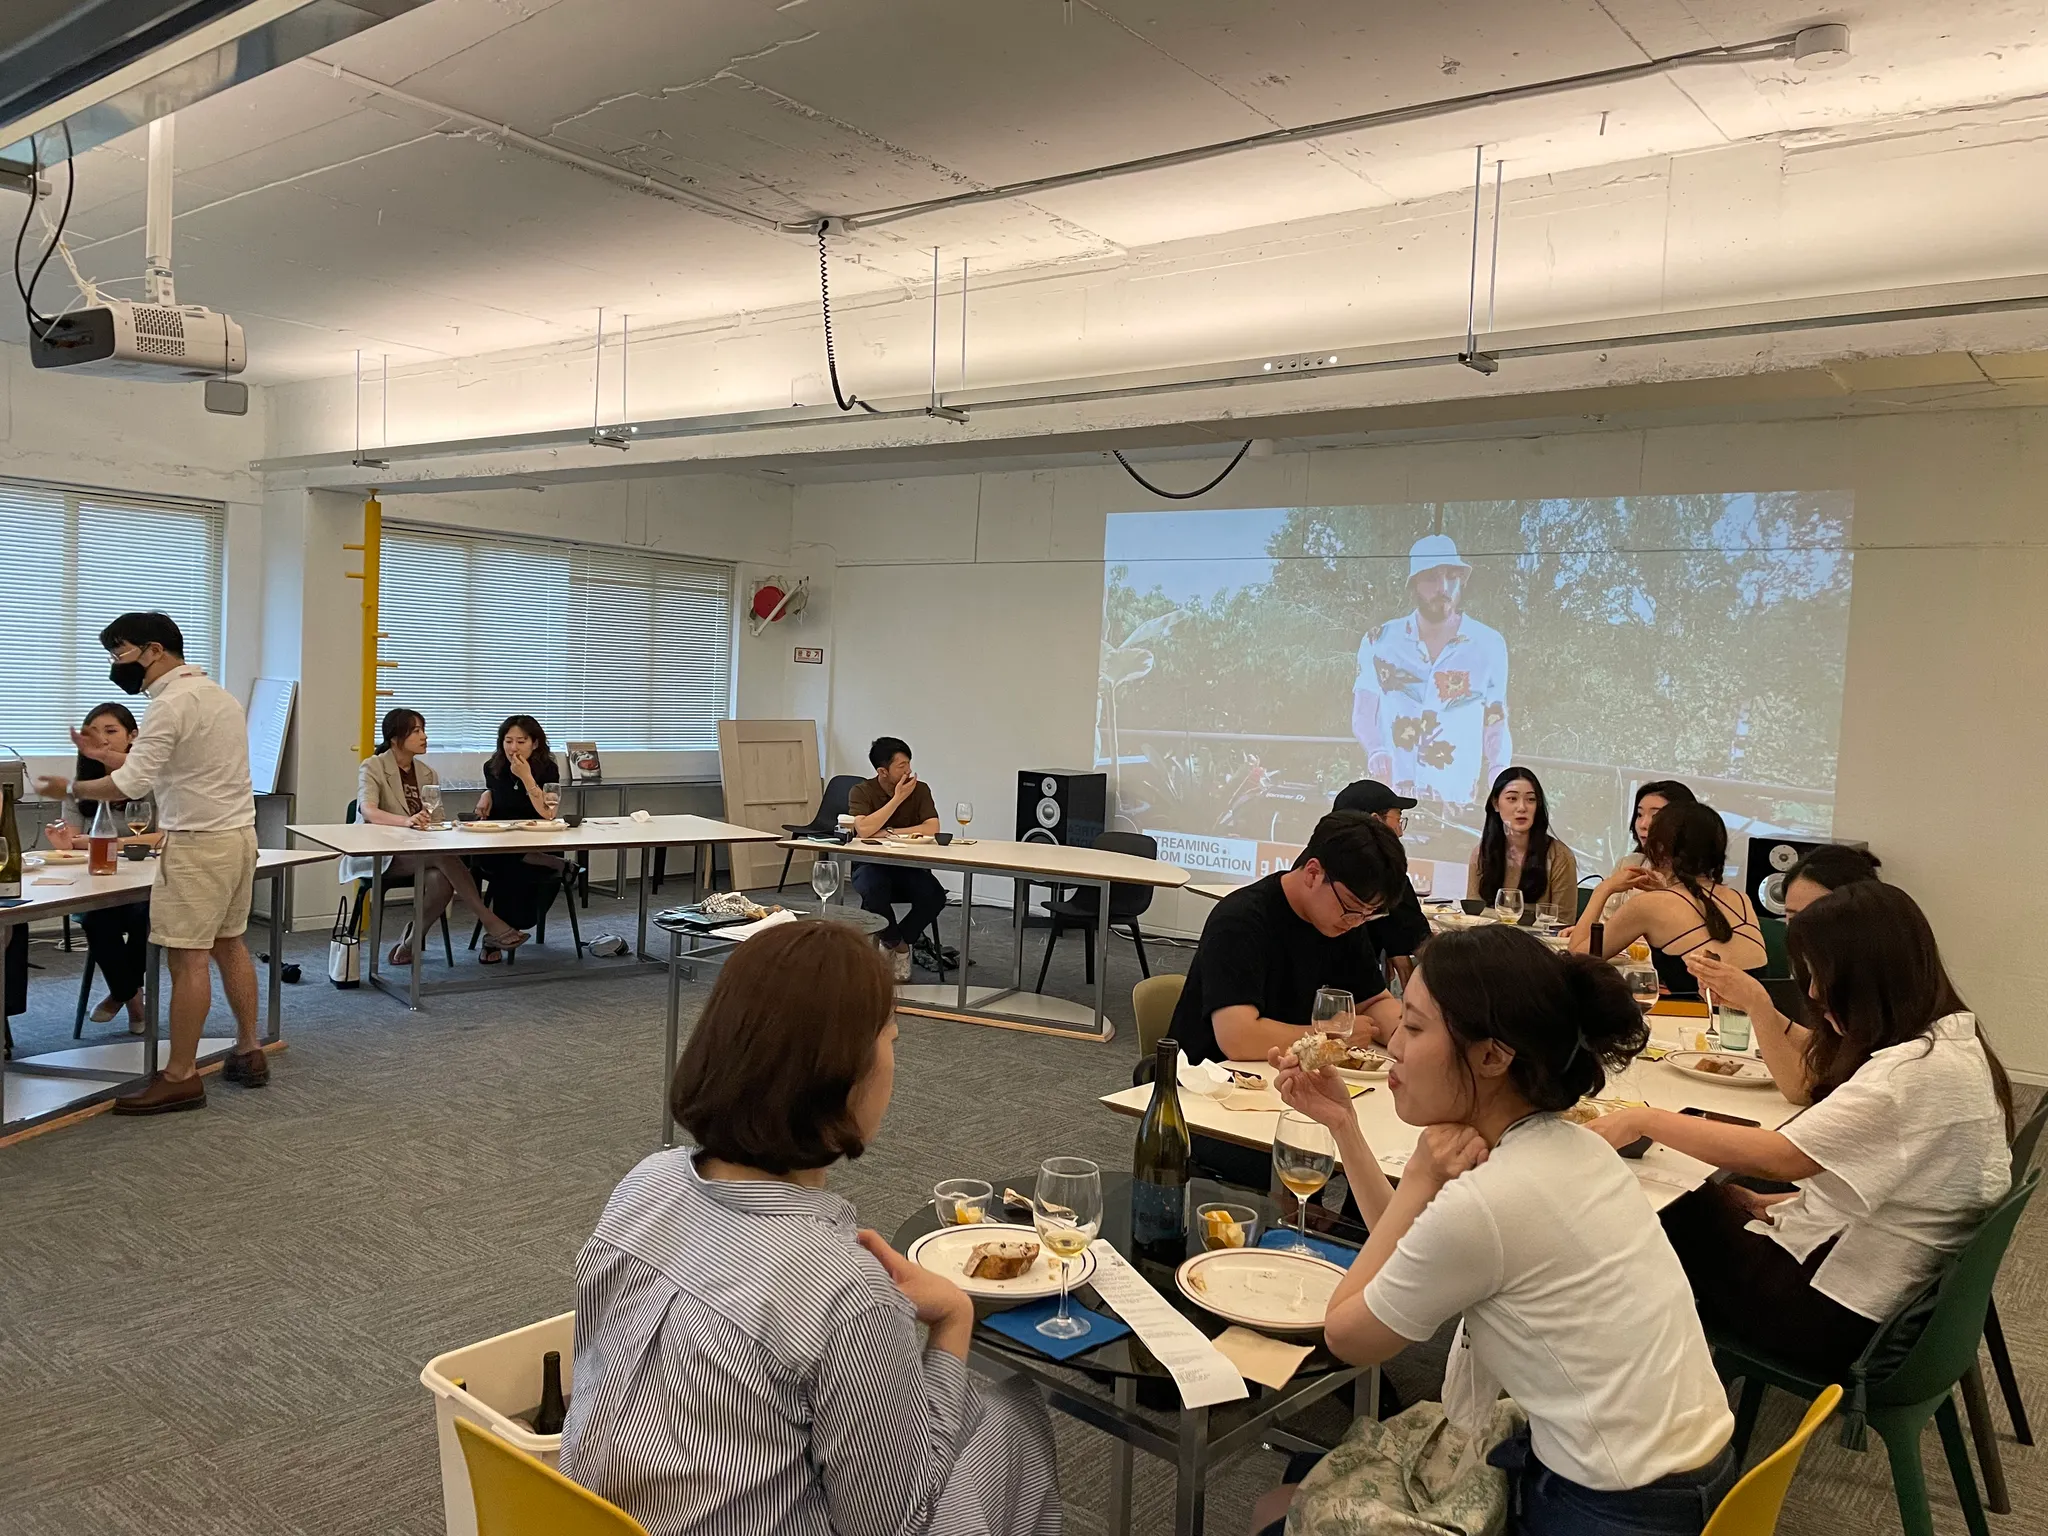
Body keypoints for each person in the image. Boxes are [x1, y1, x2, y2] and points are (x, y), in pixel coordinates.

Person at [560, 921, 1061, 1536]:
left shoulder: (647, 1183)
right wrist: (955, 1318)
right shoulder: (846, 1291)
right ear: (844, 1077)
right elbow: (891, 1525)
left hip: (591, 1513)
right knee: (1013, 1410)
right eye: (891, 1039)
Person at [1258, 925, 1735, 1536]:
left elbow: (1347, 1334)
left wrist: (1424, 1173)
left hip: (1617, 1511)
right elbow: (1412, 1252)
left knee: (1279, 1514)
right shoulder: (1574, 1146)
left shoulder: (1491, 1201)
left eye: (1414, 1028)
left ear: (1492, 1055)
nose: (1391, 1046)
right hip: (1688, 1480)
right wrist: (1345, 1125)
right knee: (1297, 1493)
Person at [1593, 883, 2014, 1379]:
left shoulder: (1908, 1076)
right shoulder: (1954, 1042)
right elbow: (1913, 1185)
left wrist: (1641, 1119)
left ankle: (1626, 1379)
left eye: (1819, 977)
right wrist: (1785, 1204)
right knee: (1699, 1192)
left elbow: (1781, 1157)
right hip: (1882, 1288)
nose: (1812, 993)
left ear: (1867, 978)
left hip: (1834, 1316)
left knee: (1649, 1205)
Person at [35, 611, 263, 1112]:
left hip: (198, 844)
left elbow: (131, 784)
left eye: (119, 652)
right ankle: (249, 1048)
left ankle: (180, 1076)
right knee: (229, 943)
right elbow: (165, 766)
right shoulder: (217, 696)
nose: (115, 664)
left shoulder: (169, 704)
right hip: (238, 836)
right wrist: (107, 756)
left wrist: (69, 786)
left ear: (154, 650)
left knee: (188, 959)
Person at [1169, 810, 1408, 1066]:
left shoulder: (1344, 921)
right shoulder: (1239, 920)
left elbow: (1374, 1001)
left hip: (1290, 1072)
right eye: (1352, 908)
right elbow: (1238, 1038)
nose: (1356, 921)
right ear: (1313, 873)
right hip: (1211, 1077)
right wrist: (1332, 1038)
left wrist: (1407, 1036)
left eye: (1368, 914)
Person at [1684, 841, 1882, 1100]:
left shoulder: (1869, 974)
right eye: (1792, 916)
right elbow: (1828, 1051)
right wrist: (1748, 1004)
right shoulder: (1819, 963)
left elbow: (1804, 1091)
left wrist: (1757, 1003)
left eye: (1814, 914)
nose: (1800, 928)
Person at [349, 708, 526, 965]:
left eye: (423, 730)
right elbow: (368, 810)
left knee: (441, 879)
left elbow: (437, 819)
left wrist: (438, 825)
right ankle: (490, 921)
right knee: (442, 857)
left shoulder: (427, 773)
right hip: (382, 853)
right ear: (395, 737)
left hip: (421, 852)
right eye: (416, 731)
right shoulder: (373, 766)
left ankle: (410, 942)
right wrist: (407, 821)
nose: (424, 736)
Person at [1351, 534, 1512, 810]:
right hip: (1392, 798)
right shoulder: (1380, 641)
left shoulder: (1488, 644)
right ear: (1414, 583)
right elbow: (1363, 713)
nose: (1443, 587)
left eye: (1451, 576)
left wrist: (1500, 774)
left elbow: (1496, 719)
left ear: (1462, 580)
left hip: (1456, 799)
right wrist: (1376, 750)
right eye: (1431, 578)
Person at [1572, 800, 1767, 995]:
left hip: (1688, 1013)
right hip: (1752, 1014)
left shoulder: (1648, 905)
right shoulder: (1742, 900)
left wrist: (1604, 889)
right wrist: (1664, 891)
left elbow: (1574, 962)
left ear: (1659, 848)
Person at [45, 703, 155, 1031]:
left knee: (148, 917)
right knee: (96, 918)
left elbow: (163, 836)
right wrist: (65, 841)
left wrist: (105, 842)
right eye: (94, 733)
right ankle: (132, 998)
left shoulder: (152, 781)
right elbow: (72, 839)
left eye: (111, 731)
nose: (103, 740)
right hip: (98, 881)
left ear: (132, 736)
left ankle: (120, 996)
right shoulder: (80, 787)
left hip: (147, 881)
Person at [846, 736, 947, 982]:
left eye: (909, 763)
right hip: (871, 864)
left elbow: (932, 828)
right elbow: (863, 829)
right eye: (901, 766)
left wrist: (888, 832)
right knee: (874, 889)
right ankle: (900, 948)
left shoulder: (920, 789)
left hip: (908, 865)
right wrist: (897, 799)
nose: (908, 770)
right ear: (883, 771)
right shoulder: (862, 791)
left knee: (935, 896)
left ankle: (895, 941)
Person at [471, 714, 563, 961]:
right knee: (502, 862)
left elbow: (548, 813)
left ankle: (495, 936)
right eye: (508, 741)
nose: (513, 748)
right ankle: (499, 931)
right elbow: (497, 794)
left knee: (513, 865)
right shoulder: (492, 767)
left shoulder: (548, 769)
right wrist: (487, 793)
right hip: (500, 843)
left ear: (535, 743)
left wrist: (526, 777)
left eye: (521, 742)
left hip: (537, 841)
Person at [1332, 778, 1429, 987]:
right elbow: (1419, 939)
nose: (1400, 832)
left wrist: (1394, 943)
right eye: (1398, 820)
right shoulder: (1383, 868)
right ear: (1376, 821)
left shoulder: (1317, 860)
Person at [1467, 766, 1577, 917]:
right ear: (1496, 804)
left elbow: (1563, 922)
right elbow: (1473, 915)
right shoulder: (1481, 853)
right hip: (1488, 933)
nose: (1522, 807)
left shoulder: (1560, 856)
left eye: (1531, 800)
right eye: (1512, 799)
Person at [1598, 779, 1697, 923]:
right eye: (1639, 815)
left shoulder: (1697, 878)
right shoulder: (1629, 863)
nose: (1643, 824)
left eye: (1656, 816)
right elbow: (1603, 921)